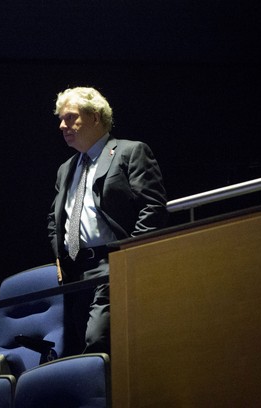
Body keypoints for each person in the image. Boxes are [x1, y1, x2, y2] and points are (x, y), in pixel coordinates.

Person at [47, 86, 168, 355]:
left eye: (70, 118)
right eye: (60, 119)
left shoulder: (130, 152)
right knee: (81, 350)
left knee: (97, 340)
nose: (62, 125)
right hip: (75, 273)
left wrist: (128, 254)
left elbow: (153, 207)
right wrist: (59, 255)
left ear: (95, 117)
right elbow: (55, 219)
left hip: (111, 264)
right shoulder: (66, 168)